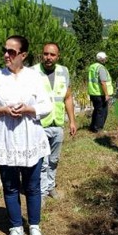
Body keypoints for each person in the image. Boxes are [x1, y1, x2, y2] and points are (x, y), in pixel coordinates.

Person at [0, 35, 52, 235]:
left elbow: (47, 106)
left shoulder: (34, 77)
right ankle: (16, 227)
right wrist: (1, 110)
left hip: (30, 138)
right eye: (5, 50)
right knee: (10, 186)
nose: (6, 55)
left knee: (32, 186)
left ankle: (34, 226)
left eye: (12, 52)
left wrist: (29, 109)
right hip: (6, 139)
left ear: (23, 55)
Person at [33, 42, 77, 201]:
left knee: (54, 160)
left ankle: (51, 186)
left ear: (58, 56)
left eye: (52, 55)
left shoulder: (63, 71)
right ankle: (42, 193)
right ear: (41, 54)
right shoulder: (33, 72)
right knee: (42, 162)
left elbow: (68, 97)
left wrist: (72, 120)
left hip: (57, 123)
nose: (48, 57)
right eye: (46, 54)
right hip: (40, 125)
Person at [87, 52, 112, 133]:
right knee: (102, 112)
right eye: (105, 58)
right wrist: (106, 94)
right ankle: (98, 129)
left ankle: (93, 127)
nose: (105, 59)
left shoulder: (92, 67)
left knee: (97, 110)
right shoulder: (101, 68)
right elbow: (103, 82)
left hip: (93, 92)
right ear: (102, 59)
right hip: (100, 93)